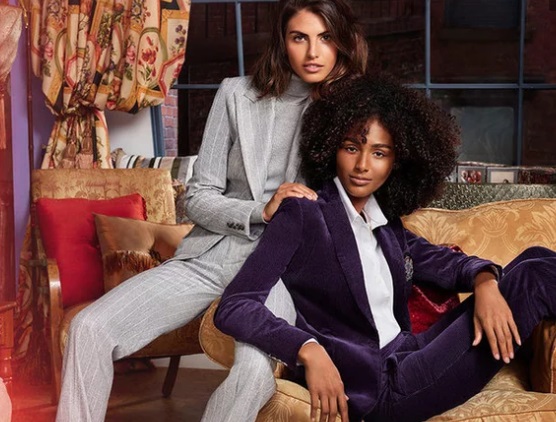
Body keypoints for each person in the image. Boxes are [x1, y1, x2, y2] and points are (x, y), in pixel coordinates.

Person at [55, 1, 368, 421]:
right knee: (88, 328)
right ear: (283, 42)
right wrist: (260, 210)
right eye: (300, 37)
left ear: (342, 43)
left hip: (279, 271)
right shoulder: (236, 95)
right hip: (212, 255)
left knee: (253, 374)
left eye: (326, 38)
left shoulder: (349, 113)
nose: (313, 52)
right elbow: (198, 197)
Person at [214, 75, 556, 422]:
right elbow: (235, 305)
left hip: (411, 351)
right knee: (534, 277)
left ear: (396, 162)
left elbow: (445, 263)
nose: (362, 165)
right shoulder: (303, 215)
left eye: (379, 153)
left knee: (534, 257)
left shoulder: (386, 224)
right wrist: (307, 349)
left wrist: (485, 281)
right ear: (331, 147)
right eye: (351, 148)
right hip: (381, 388)